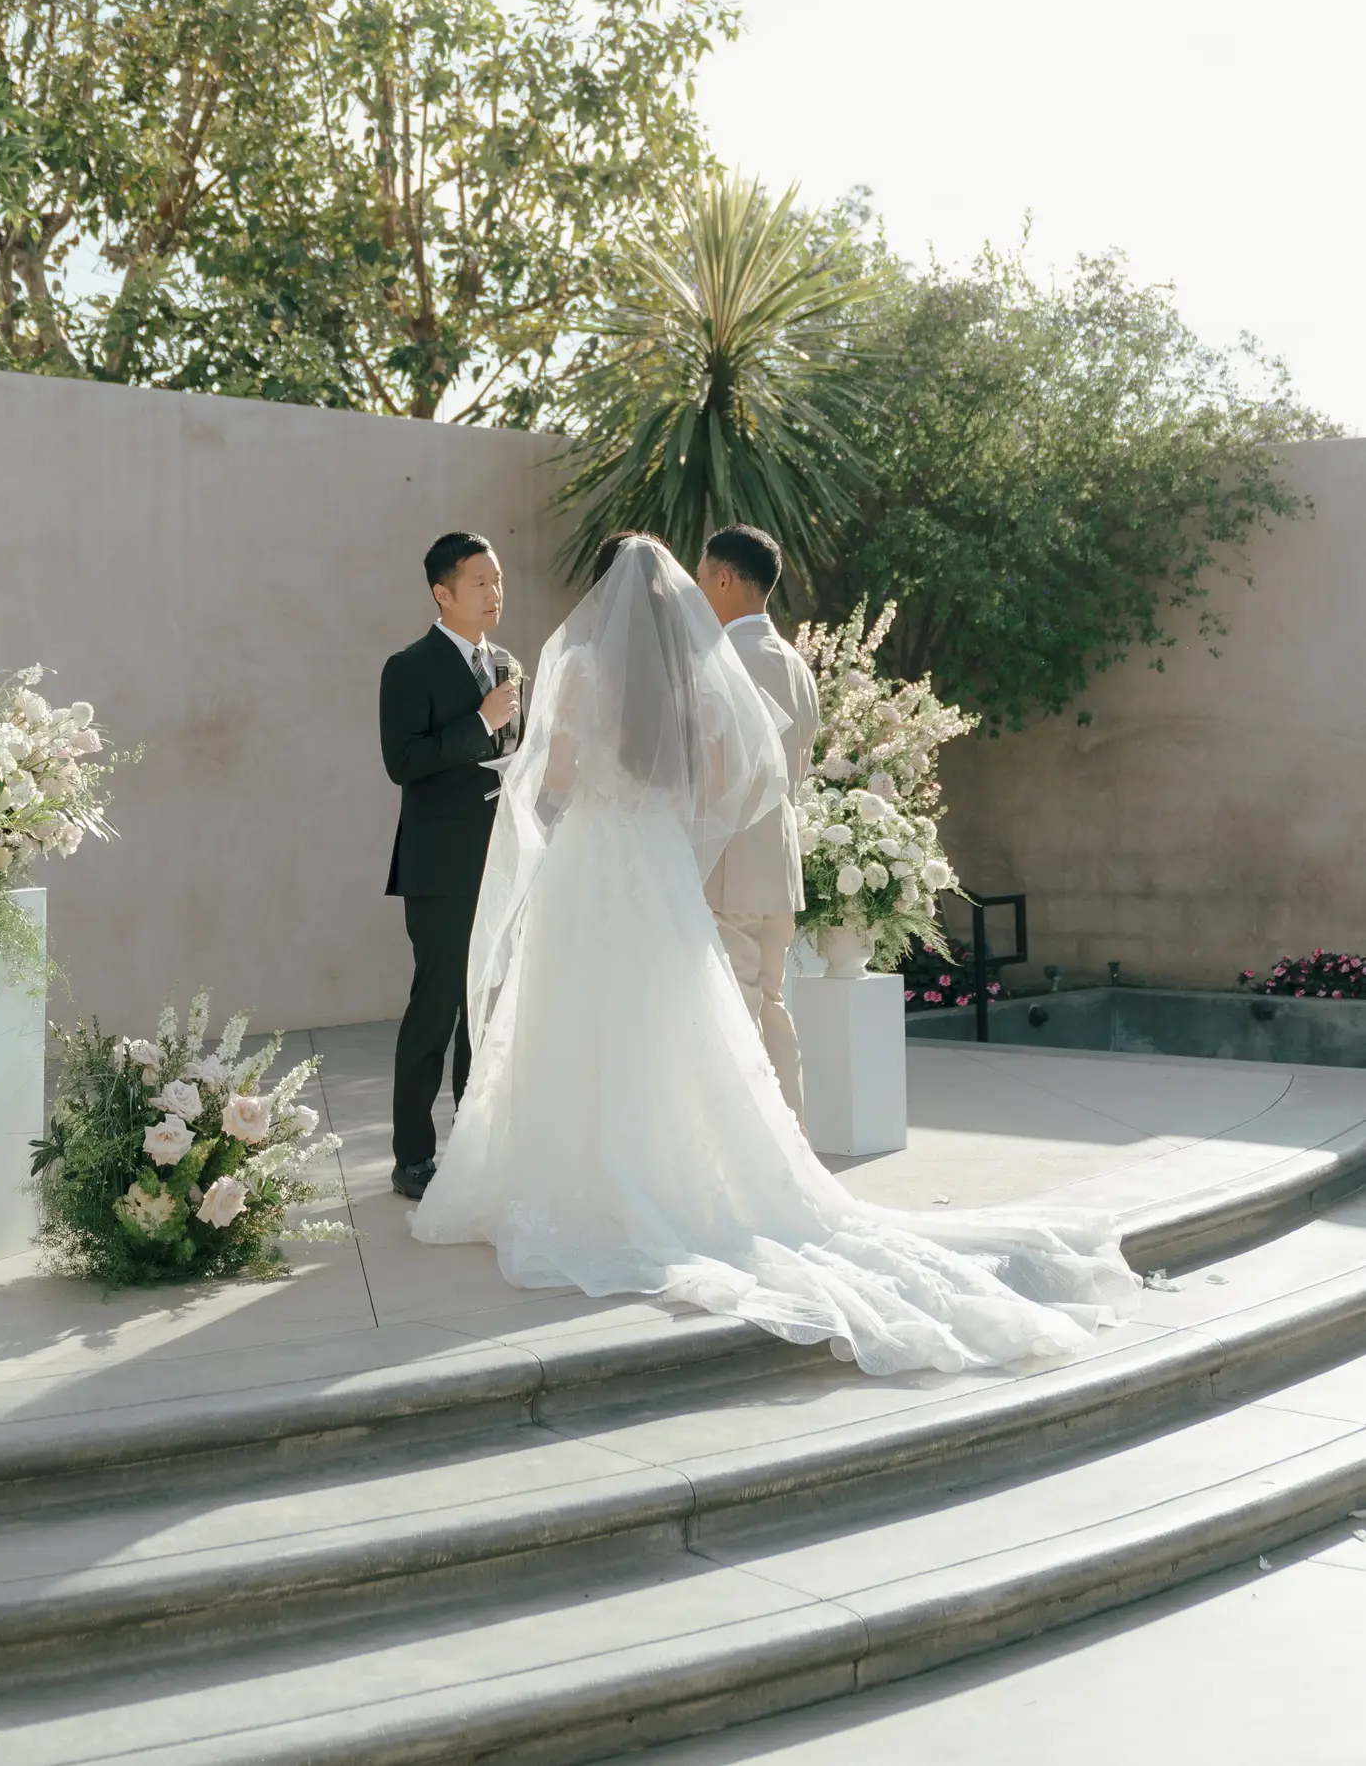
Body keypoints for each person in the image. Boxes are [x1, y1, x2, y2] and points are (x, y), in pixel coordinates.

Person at [412, 535, 1137, 1374]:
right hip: (656, 861)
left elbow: (561, 772)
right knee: (677, 1021)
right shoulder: (690, 671)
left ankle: (585, 1170)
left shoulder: (578, 667)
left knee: (580, 1012)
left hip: (595, 860)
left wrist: (561, 781)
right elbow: (723, 774)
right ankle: (674, 1168)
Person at [380, 531, 521, 1201]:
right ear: (443, 593)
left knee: (485, 1011)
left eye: (497, 581)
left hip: (500, 861)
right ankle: (412, 1157)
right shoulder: (408, 667)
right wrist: (481, 723)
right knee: (435, 1009)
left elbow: (514, 749)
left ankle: (474, 1144)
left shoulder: (508, 663)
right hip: (439, 868)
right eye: (479, 583)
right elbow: (401, 763)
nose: (494, 593)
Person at [696, 523, 820, 1127]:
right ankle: (792, 1139)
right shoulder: (795, 663)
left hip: (731, 866)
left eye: (700, 577)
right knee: (771, 1004)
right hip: (780, 864)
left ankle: (754, 1158)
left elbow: (710, 773)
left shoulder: (721, 662)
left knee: (735, 1014)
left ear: (723, 578)